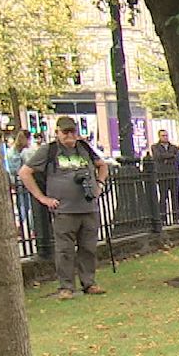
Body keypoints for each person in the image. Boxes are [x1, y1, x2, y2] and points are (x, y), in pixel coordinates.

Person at [19, 116, 110, 300]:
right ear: (57, 133)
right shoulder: (49, 150)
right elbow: (25, 173)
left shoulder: (84, 148)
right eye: (65, 132)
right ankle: (66, 287)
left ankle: (89, 283)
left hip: (88, 207)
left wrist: (99, 184)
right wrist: (43, 198)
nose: (70, 135)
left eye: (72, 132)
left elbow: (102, 166)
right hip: (64, 210)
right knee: (65, 250)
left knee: (88, 248)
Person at [146, 129, 179, 225]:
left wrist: (167, 159)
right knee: (163, 198)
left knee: (175, 198)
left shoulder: (174, 147)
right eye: (163, 135)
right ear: (159, 136)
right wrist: (171, 156)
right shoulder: (155, 147)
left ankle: (177, 218)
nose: (165, 137)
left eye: (166, 135)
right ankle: (163, 218)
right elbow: (158, 157)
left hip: (174, 175)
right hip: (163, 176)